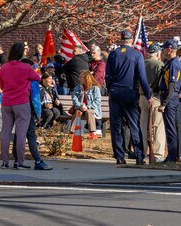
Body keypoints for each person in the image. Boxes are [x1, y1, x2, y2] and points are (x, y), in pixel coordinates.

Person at [105, 29, 151, 165]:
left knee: (116, 125)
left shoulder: (113, 54)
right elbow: (142, 77)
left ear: (121, 39)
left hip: (115, 91)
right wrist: (148, 95)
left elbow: (107, 76)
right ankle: (139, 156)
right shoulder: (137, 55)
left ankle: (119, 156)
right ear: (131, 40)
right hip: (130, 91)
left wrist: (110, 88)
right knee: (134, 125)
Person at [0, 42, 41, 169]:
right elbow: (38, 78)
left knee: (5, 132)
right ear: (22, 52)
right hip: (21, 103)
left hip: (6, 102)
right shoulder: (26, 68)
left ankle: (5, 162)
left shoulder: (4, 67)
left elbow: (2, 86)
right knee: (21, 133)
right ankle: (19, 161)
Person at [13, 61, 53, 171]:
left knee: (18, 134)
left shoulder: (15, 78)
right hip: (27, 109)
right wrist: (39, 114)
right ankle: (38, 160)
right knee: (31, 135)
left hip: (16, 107)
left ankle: (17, 160)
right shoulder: (32, 81)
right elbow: (35, 99)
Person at [140, 43, 166, 162]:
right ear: (157, 53)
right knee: (158, 126)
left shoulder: (142, 63)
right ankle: (158, 153)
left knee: (143, 125)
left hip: (142, 96)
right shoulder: (159, 64)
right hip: (155, 98)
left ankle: (142, 150)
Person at [158, 39, 181, 163]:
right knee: (171, 128)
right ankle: (173, 155)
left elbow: (172, 85)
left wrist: (164, 103)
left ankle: (172, 156)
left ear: (169, 49)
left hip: (170, 99)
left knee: (170, 129)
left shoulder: (174, 64)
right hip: (170, 98)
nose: (162, 51)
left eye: (164, 49)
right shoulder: (172, 62)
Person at [70, 70, 102, 139]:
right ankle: (72, 132)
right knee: (77, 112)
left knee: (89, 111)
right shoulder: (77, 88)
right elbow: (74, 98)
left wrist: (88, 107)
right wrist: (80, 106)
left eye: (81, 77)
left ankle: (92, 133)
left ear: (86, 78)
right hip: (80, 108)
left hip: (91, 109)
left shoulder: (95, 88)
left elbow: (97, 101)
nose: (79, 79)